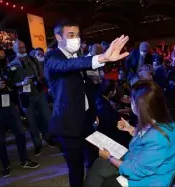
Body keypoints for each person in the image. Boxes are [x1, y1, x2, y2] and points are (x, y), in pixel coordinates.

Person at [44, 19, 129, 187]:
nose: (76, 38)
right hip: (68, 124)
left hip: (87, 120)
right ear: (58, 37)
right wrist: (102, 57)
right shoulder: (52, 57)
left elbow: (86, 88)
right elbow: (67, 66)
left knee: (93, 159)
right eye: (71, 35)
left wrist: (93, 111)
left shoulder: (80, 57)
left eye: (77, 35)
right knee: (75, 167)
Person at [83, 81, 175, 187]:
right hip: (144, 164)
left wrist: (109, 157)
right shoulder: (164, 120)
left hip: (150, 180)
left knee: (108, 181)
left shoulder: (157, 138)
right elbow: (148, 137)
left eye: (133, 100)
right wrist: (130, 129)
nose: (131, 102)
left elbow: (134, 171)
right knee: (99, 163)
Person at [0, 46, 39, 177]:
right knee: (0, 140)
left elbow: (10, 85)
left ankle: (24, 160)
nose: (2, 59)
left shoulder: (3, 68)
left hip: (9, 106)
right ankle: (5, 165)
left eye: (3, 57)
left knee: (21, 134)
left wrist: (18, 88)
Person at [8, 40, 54, 156]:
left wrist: (40, 80)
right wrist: (22, 83)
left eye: (24, 47)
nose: (22, 50)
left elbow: (42, 75)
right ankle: (37, 144)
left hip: (39, 93)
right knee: (31, 122)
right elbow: (10, 84)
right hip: (25, 97)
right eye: (20, 48)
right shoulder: (11, 65)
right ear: (14, 50)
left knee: (47, 117)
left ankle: (48, 137)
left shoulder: (33, 60)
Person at [96, 80, 131, 147]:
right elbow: (111, 125)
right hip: (111, 136)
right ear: (111, 92)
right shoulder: (104, 106)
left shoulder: (100, 99)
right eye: (114, 89)